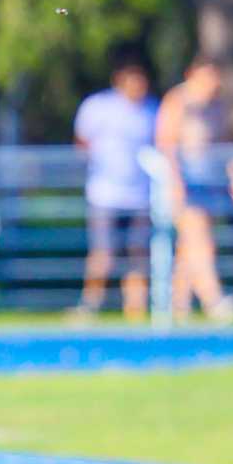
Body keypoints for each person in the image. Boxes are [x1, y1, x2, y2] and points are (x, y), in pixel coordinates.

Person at [156, 53, 233, 321]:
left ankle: (178, 308)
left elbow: (225, 145)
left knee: (188, 248)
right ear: (194, 74)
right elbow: (166, 143)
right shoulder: (178, 101)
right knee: (201, 242)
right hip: (184, 183)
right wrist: (175, 182)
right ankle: (213, 301)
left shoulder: (218, 105)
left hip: (209, 182)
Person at [71, 46, 156, 319]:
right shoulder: (98, 107)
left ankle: (135, 309)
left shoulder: (152, 110)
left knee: (139, 254)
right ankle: (90, 304)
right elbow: (81, 143)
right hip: (104, 194)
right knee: (102, 253)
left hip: (142, 195)